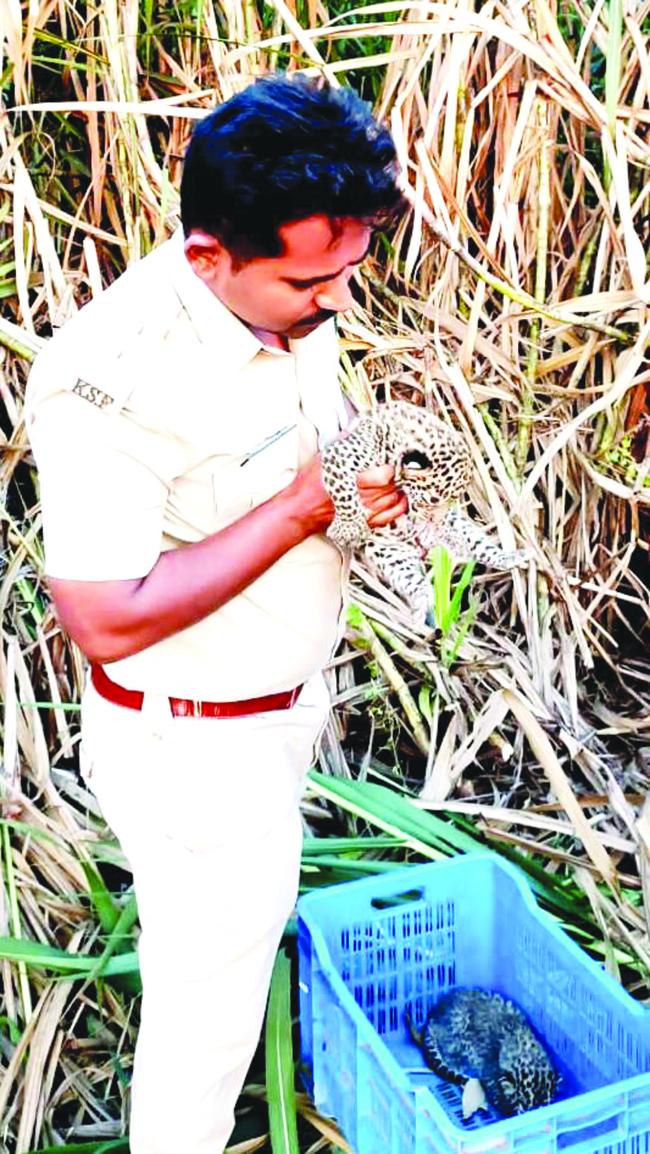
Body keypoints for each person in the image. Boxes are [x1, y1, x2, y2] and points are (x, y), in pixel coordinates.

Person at [25, 74, 406, 1154]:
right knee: (202, 1027)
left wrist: (363, 491)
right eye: (309, 280)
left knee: (226, 964)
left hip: (274, 711)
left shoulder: (287, 292)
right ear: (206, 256)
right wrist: (300, 508)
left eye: (349, 267)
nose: (337, 300)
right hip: (191, 744)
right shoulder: (110, 382)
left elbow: (306, 440)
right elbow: (101, 618)